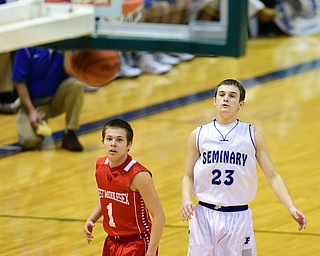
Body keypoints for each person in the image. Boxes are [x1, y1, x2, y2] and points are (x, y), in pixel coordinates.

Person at [180, 79, 307, 255]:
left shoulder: (252, 135)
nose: (226, 99)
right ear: (214, 101)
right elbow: (188, 175)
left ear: (241, 104)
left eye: (232, 96)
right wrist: (186, 198)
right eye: (221, 95)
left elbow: (273, 176)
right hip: (204, 216)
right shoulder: (199, 134)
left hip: (238, 216)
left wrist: (291, 207)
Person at [84, 118, 166, 256]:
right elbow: (106, 196)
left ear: (129, 144)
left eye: (119, 140)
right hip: (111, 242)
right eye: (109, 139)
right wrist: (92, 218)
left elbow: (159, 216)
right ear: (102, 142)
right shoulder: (100, 166)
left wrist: (151, 251)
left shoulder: (139, 176)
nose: (113, 144)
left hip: (136, 243)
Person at [12, 47, 84, 151]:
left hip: (56, 99)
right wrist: (31, 110)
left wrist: (68, 50)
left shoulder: (63, 43)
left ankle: (70, 133)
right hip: (34, 104)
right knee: (29, 142)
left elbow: (71, 72)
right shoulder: (27, 48)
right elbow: (19, 82)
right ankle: (34, 122)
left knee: (76, 85)